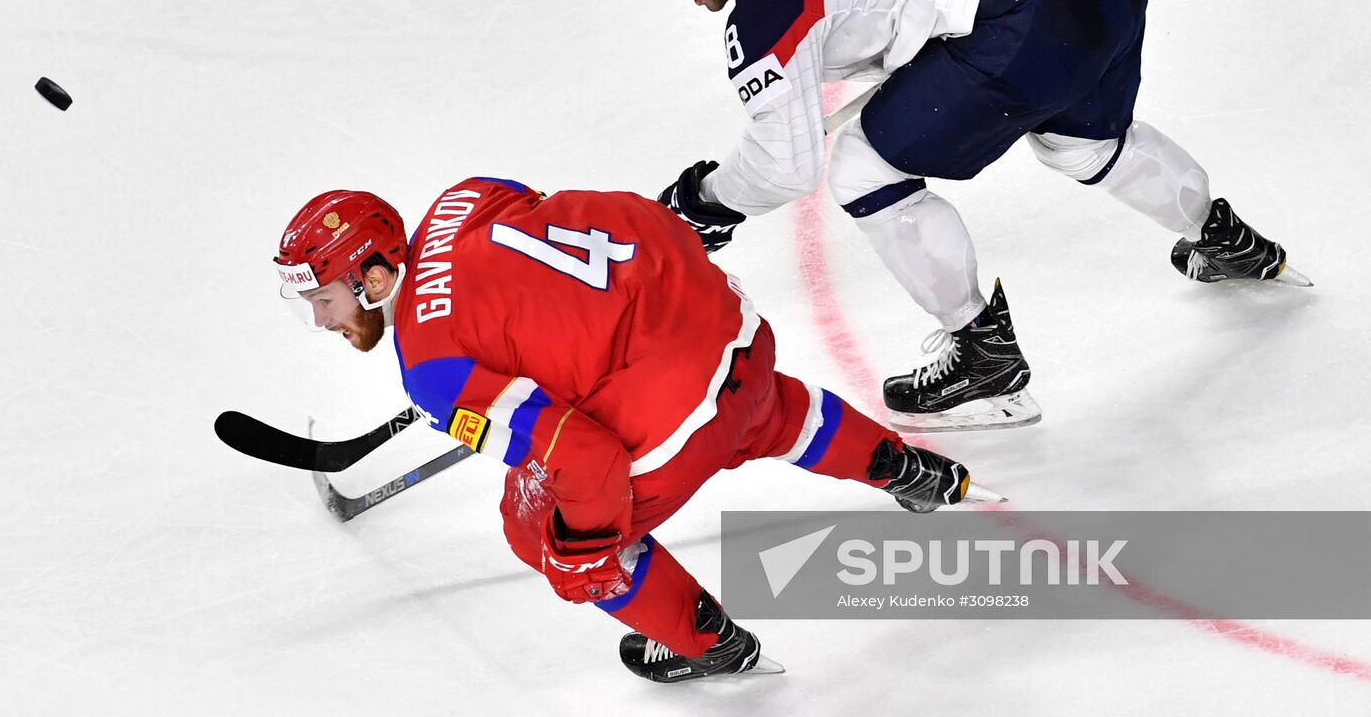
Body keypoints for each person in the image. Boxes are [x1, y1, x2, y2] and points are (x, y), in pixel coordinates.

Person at [622, 0, 1310, 433]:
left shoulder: (766, 6)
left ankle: (985, 360)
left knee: (861, 170)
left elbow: (786, 166)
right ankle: (1227, 241)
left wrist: (704, 202)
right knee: (1086, 143)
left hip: (1025, 18)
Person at [272, 177, 988, 682]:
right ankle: (910, 471)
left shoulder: (430, 371)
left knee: (538, 525)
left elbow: (583, 456)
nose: (322, 320)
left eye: (325, 299)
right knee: (762, 410)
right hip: (728, 321)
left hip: (678, 416)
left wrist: (584, 550)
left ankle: (709, 644)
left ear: (371, 278)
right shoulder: (465, 195)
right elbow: (549, 251)